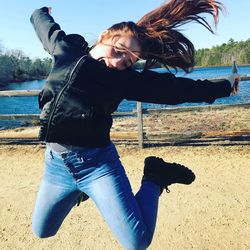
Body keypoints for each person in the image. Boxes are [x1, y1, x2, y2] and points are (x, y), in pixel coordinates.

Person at [30, 1, 240, 249]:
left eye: (129, 62)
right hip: (57, 165)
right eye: (118, 51)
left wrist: (225, 87)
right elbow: (46, 28)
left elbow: (174, 90)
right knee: (43, 231)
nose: (120, 62)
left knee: (137, 241)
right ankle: (80, 191)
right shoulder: (67, 51)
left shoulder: (123, 80)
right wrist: (41, 12)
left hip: (97, 166)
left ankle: (155, 175)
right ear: (103, 37)